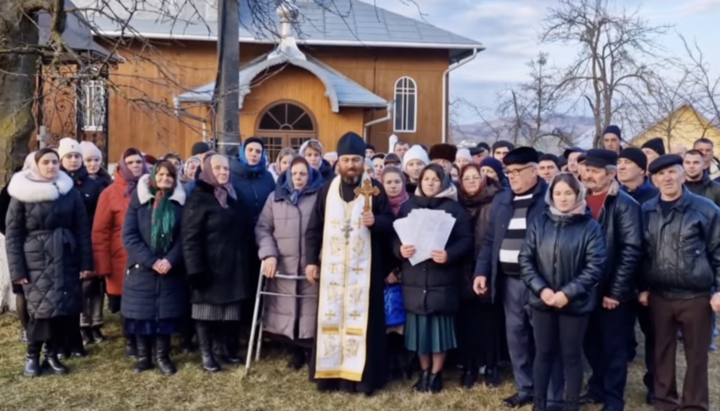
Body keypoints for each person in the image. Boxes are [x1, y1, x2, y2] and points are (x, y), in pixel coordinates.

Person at [473, 147, 563, 409]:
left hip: (541, 282)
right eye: (508, 172)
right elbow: (490, 240)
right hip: (509, 281)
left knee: (545, 340)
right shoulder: (502, 199)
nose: (511, 177)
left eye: (516, 172)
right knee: (516, 337)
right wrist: (481, 271)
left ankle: (550, 394)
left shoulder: (551, 197)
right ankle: (525, 388)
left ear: (534, 171)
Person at [305, 131, 394, 395]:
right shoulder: (326, 191)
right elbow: (313, 229)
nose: (351, 165)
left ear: (363, 162)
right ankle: (330, 377)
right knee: (330, 320)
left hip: (365, 274)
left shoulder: (374, 191)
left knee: (366, 324)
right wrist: (311, 261)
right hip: (332, 274)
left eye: (355, 159)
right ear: (339, 163)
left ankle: (363, 379)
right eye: (346, 160)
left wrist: (376, 222)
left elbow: (392, 225)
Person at [519, 172, 607, 411]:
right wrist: (542, 290)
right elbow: (526, 259)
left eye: (568, 193)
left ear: (578, 194)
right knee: (543, 354)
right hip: (542, 302)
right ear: (551, 196)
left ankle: (570, 406)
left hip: (575, 304)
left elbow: (595, 265)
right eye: (558, 193)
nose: (563, 198)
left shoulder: (590, 227)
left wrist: (567, 293)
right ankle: (539, 404)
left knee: (571, 356)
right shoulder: (540, 222)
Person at [640, 154, 720, 411]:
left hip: (696, 296)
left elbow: (719, 250)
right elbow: (642, 253)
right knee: (661, 353)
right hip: (660, 295)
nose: (667, 179)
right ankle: (665, 402)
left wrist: (719, 290)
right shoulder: (646, 210)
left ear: (683, 175)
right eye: (660, 175)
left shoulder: (706, 209)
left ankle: (694, 405)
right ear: (653, 180)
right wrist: (641, 286)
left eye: (672, 173)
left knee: (696, 357)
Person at [6, 148, 93, 377]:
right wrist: (18, 270)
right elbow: (13, 235)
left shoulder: (68, 191)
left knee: (63, 310)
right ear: (36, 165)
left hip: (66, 256)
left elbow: (82, 229)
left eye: (55, 162)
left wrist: (85, 263)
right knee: (41, 311)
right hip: (36, 260)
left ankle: (52, 355)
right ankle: (32, 356)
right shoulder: (22, 194)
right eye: (46, 162)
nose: (51, 166)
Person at [394, 164, 472, 393]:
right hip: (415, 279)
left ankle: (436, 373)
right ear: (420, 182)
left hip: (442, 280)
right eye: (426, 179)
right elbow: (394, 236)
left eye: (435, 179)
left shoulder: (454, 209)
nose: (429, 183)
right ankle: (424, 372)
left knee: (439, 331)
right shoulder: (408, 207)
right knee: (419, 333)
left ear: (443, 182)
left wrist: (449, 254)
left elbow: (466, 240)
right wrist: (400, 250)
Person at [580, 149, 643, 411]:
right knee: (591, 343)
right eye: (586, 171)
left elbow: (631, 250)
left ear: (611, 174)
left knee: (613, 347)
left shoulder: (624, 204)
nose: (589, 176)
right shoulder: (579, 200)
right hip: (585, 289)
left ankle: (614, 399)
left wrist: (615, 292)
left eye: (595, 172)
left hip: (611, 291)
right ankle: (596, 388)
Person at [255, 157, 323, 370]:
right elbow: (263, 228)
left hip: (310, 264)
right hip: (284, 264)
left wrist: (320, 256)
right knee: (288, 307)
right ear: (288, 175)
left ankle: (311, 351)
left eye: (303, 174)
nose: (299, 178)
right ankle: (294, 351)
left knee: (310, 308)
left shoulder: (320, 196)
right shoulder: (274, 198)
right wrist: (268, 254)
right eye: (295, 174)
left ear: (310, 175)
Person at [183, 153, 248, 372]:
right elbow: (190, 238)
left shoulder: (231, 196)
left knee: (228, 313)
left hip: (231, 267)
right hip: (208, 267)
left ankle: (223, 350)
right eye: (218, 168)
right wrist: (195, 270)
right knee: (205, 313)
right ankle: (206, 354)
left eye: (226, 169)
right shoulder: (199, 197)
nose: (223, 172)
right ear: (208, 170)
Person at [121, 161, 187, 375]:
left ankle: (162, 356)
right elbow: (129, 236)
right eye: (160, 174)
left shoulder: (180, 204)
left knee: (164, 314)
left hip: (170, 268)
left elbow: (185, 237)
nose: (164, 178)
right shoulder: (139, 202)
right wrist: (151, 260)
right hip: (143, 267)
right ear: (152, 176)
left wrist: (170, 260)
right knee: (142, 314)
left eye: (169, 175)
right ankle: (143, 357)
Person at [93, 148, 148, 358]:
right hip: (121, 257)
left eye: (138, 162)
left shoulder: (151, 189)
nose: (136, 166)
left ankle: (146, 340)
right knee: (127, 302)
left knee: (144, 300)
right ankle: (131, 341)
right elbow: (100, 230)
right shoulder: (110, 193)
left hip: (146, 254)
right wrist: (102, 264)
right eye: (131, 162)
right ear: (123, 166)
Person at [617, 147, 659, 404]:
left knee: (654, 337)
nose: (621, 166)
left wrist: (648, 285)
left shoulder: (654, 199)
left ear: (642, 169)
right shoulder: (616, 196)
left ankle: (655, 385)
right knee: (618, 338)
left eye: (628, 163)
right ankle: (611, 387)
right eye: (619, 162)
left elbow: (655, 246)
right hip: (622, 281)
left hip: (648, 281)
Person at [457, 163, 504, 389]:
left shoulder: (496, 201)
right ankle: (470, 366)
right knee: (467, 320)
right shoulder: (457, 202)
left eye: (476, 177)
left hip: (487, 267)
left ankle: (492, 365)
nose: (472, 182)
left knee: (489, 320)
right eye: (467, 178)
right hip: (462, 268)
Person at [58, 138, 105, 353]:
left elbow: (98, 213)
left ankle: (89, 328)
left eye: (77, 156)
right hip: (61, 243)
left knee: (88, 286)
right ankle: (69, 334)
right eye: (69, 156)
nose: (74, 160)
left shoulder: (92, 184)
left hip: (86, 239)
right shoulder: (55, 181)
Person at [231, 138, 276, 327]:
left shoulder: (267, 177)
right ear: (243, 152)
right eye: (250, 150)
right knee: (242, 281)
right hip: (240, 236)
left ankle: (257, 324)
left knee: (259, 280)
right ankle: (240, 326)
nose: (254, 154)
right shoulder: (233, 174)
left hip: (263, 237)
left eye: (258, 151)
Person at [380, 166, 412, 381]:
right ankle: (387, 364)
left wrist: (399, 269)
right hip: (382, 270)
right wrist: (385, 271)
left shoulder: (410, 207)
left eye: (397, 182)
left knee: (402, 320)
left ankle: (405, 363)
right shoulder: (377, 207)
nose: (393, 186)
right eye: (389, 182)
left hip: (406, 270)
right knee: (385, 319)